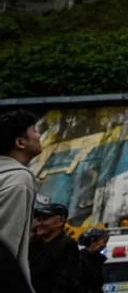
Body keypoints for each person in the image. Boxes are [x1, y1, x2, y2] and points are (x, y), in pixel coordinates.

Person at [0, 109, 41, 289]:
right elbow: (7, 245)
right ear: (20, 142)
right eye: (35, 131)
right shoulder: (18, 180)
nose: (40, 136)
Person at [29, 202, 80, 293]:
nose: (39, 223)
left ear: (60, 221)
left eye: (44, 219)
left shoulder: (67, 246)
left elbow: (64, 283)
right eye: (38, 219)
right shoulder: (34, 243)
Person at [78, 227, 110, 293]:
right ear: (93, 241)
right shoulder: (80, 260)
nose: (105, 245)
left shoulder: (98, 259)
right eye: (103, 242)